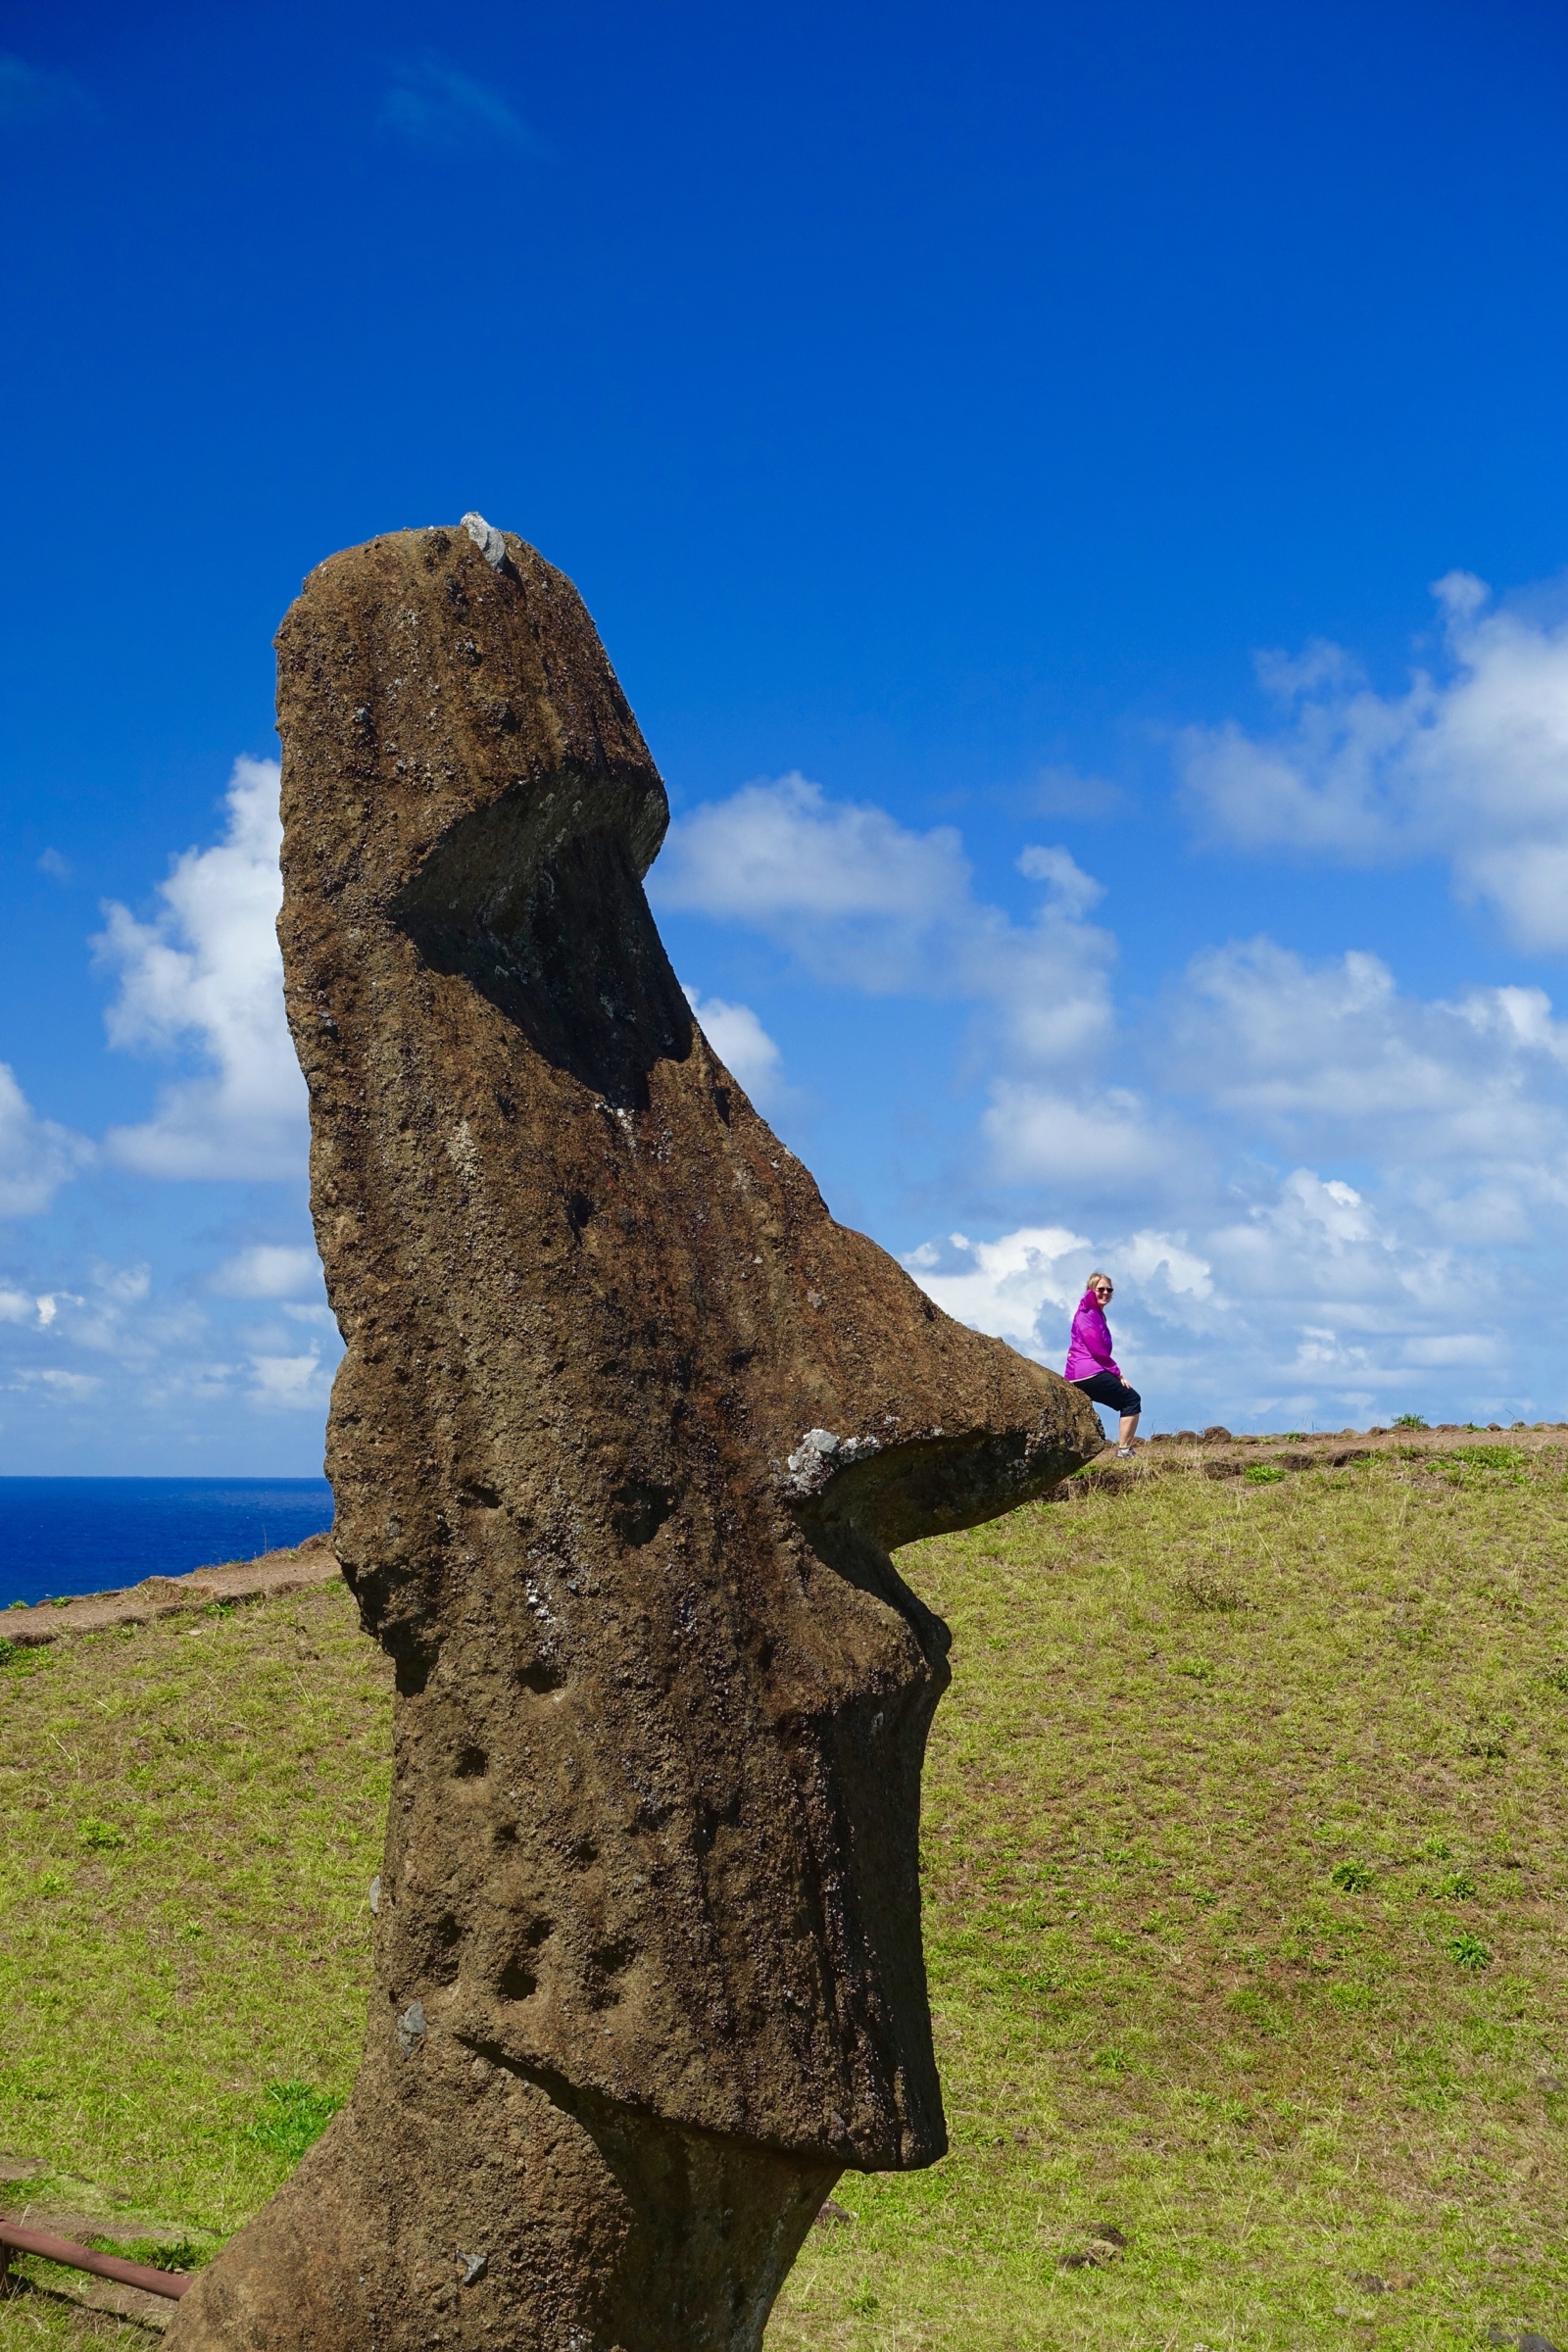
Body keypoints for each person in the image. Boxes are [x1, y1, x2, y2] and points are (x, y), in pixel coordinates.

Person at [1064, 1270, 1141, 1456]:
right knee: (1131, 1399)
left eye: (1109, 1289)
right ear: (1091, 1290)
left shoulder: (1096, 1313)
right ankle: (1124, 1450)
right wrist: (1117, 1373)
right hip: (1087, 1372)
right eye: (1101, 1289)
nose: (1105, 1293)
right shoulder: (1087, 1313)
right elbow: (1097, 1349)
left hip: (1083, 1372)